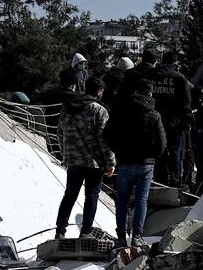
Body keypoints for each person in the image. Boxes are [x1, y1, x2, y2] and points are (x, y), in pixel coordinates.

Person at [105, 78, 167, 251]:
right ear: (150, 93)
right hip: (146, 164)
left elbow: (107, 134)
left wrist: (118, 151)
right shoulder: (154, 115)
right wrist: (152, 156)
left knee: (122, 200)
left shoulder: (122, 111)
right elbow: (162, 143)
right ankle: (137, 236)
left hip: (125, 162)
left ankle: (120, 237)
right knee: (141, 200)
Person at [54, 77, 114, 239]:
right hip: (94, 162)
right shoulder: (98, 110)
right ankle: (86, 231)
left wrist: (65, 152)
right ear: (98, 92)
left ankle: (60, 231)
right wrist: (110, 162)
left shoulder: (67, 107)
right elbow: (104, 139)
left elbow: (60, 132)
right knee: (92, 196)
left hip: (73, 160)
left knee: (70, 195)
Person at [152, 49, 193, 186]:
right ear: (175, 63)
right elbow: (186, 103)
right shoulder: (179, 78)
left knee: (159, 152)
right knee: (175, 152)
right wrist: (187, 121)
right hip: (175, 123)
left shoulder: (152, 76)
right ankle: (176, 182)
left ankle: (159, 180)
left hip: (155, 121)